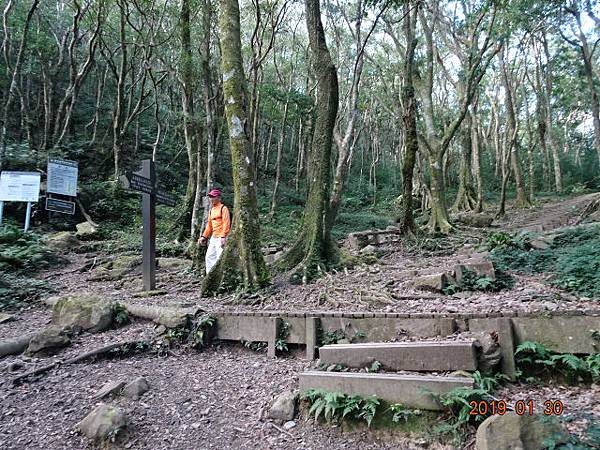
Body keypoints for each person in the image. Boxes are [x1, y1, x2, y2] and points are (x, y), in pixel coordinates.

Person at [198, 189, 231, 273]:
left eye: (213, 197)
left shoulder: (223, 208)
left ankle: (220, 276)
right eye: (210, 197)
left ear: (219, 198)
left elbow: (226, 223)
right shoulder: (211, 210)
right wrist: (203, 236)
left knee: (220, 257)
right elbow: (209, 226)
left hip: (221, 237)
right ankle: (210, 275)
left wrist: (224, 237)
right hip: (214, 237)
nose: (211, 199)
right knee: (209, 257)